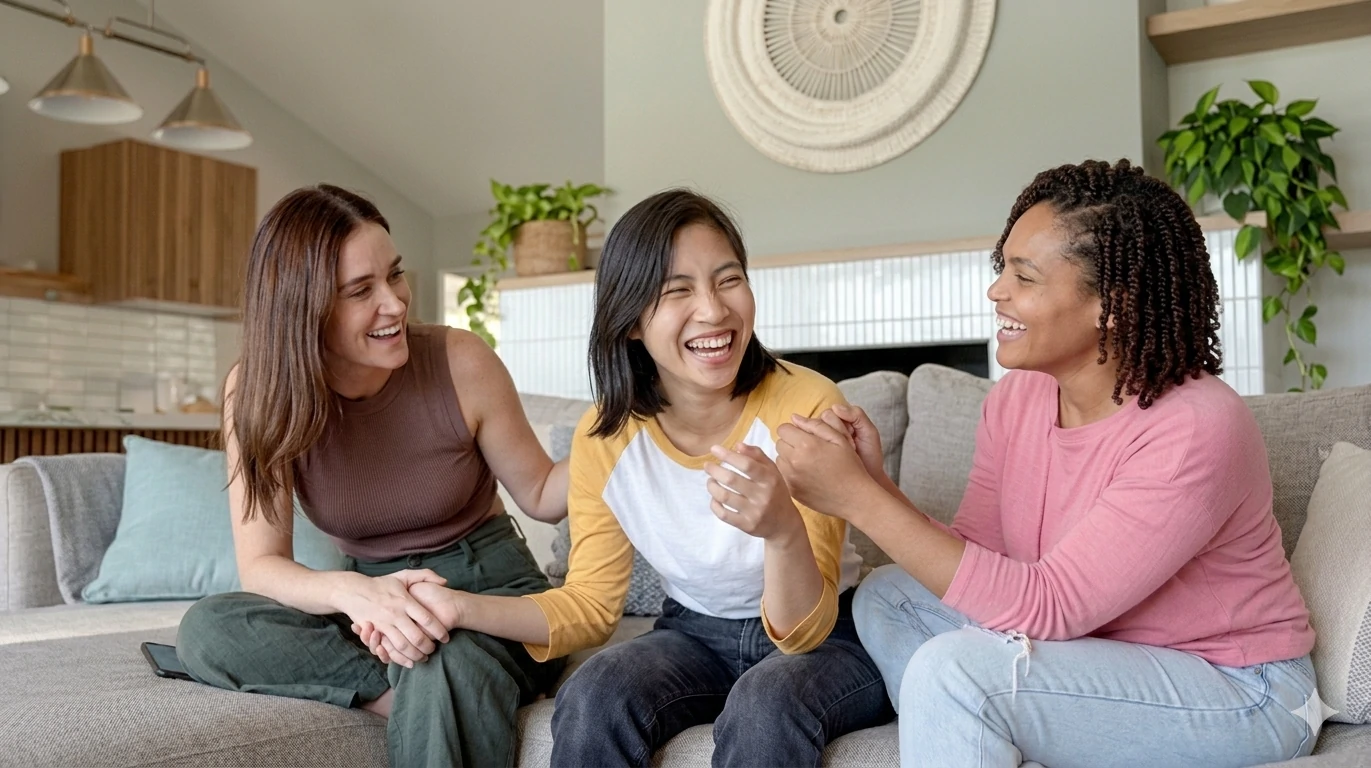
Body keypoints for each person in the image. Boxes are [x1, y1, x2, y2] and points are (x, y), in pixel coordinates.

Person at [776, 159, 1325, 767]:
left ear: (1112, 306)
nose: (996, 291)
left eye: (1024, 277)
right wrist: (875, 482)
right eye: (1002, 268)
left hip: (1238, 689)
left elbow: (1049, 606)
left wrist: (858, 499)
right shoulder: (1020, 397)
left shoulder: (1197, 427)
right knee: (887, 597)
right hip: (1093, 652)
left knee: (956, 671)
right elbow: (980, 564)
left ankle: (985, 723)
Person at [357, 188, 893, 767]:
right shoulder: (606, 437)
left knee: (766, 706)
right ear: (632, 320)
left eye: (728, 279)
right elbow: (588, 605)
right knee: (594, 693)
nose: (713, 310)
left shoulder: (806, 407)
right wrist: (459, 607)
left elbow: (804, 631)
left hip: (832, 637)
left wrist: (783, 530)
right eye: (676, 291)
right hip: (696, 634)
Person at [176, 184, 568, 768]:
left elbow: (541, 494)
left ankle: (439, 683)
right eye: (362, 290)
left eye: (395, 275)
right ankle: (427, 692)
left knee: (448, 658)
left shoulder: (460, 360)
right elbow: (261, 565)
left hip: (488, 597)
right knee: (209, 629)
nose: (395, 303)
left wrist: (620, 429)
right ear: (302, 307)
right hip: (371, 608)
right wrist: (360, 597)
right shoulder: (257, 393)